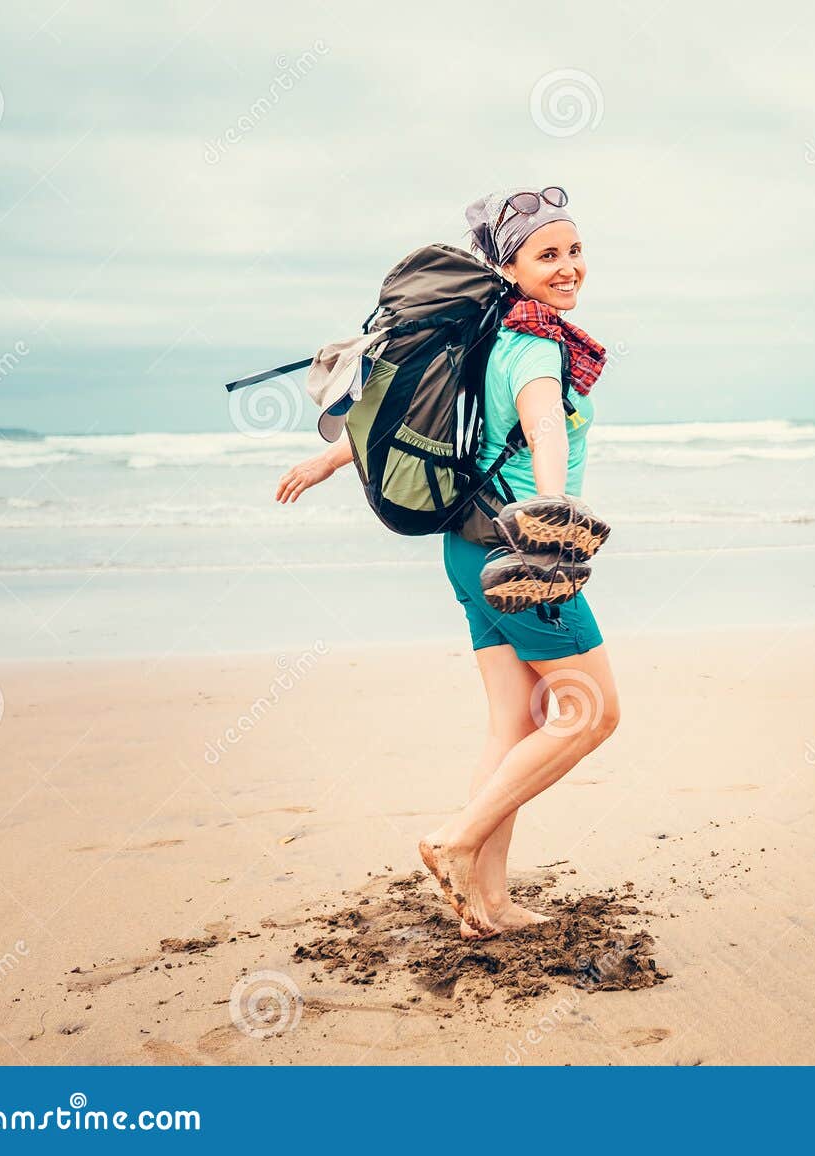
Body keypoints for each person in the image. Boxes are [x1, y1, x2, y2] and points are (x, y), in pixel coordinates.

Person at [274, 186, 620, 938]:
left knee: (513, 726)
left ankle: (485, 905)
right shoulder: (534, 349)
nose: (568, 268)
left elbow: (446, 425)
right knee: (594, 714)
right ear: (512, 265)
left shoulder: (490, 337)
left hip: (468, 550)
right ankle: (456, 840)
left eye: (573, 250)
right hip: (516, 556)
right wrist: (554, 521)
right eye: (548, 255)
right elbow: (543, 430)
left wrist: (333, 458)